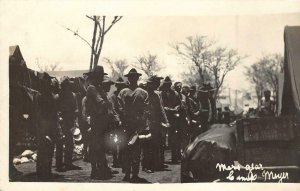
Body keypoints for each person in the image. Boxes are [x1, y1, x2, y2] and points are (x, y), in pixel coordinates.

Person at [117, 68, 149, 182]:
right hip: (135, 125)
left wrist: (125, 118)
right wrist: (141, 122)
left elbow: (119, 108)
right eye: (132, 77)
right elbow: (146, 110)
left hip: (128, 125)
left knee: (127, 150)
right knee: (134, 150)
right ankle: (132, 173)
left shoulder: (123, 92)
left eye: (133, 77)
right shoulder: (143, 93)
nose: (132, 79)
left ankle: (129, 173)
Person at [82, 66, 112, 180]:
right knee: (96, 147)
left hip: (100, 121)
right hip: (96, 121)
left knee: (99, 147)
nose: (100, 78)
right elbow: (102, 103)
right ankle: (96, 170)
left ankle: (98, 169)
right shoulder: (92, 88)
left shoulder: (98, 88)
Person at [35, 72, 62, 180]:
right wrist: (42, 131)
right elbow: (38, 114)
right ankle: (41, 173)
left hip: (52, 125)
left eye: (48, 81)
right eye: (46, 81)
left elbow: (54, 112)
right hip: (44, 125)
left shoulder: (50, 95)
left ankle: (47, 171)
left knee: (50, 149)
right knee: (42, 150)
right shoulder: (39, 95)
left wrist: (56, 126)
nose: (48, 83)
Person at [56, 77, 81, 172]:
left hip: (70, 122)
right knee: (60, 143)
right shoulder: (58, 97)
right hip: (61, 123)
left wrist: (74, 115)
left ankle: (68, 163)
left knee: (69, 143)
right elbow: (55, 110)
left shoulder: (72, 96)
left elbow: (76, 108)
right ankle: (59, 164)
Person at [160, 76, 181, 164]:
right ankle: (161, 160)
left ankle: (174, 158)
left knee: (174, 138)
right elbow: (160, 105)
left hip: (173, 118)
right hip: (163, 118)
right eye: (166, 84)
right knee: (162, 138)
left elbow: (178, 104)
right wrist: (168, 109)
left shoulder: (175, 93)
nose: (168, 86)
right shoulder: (160, 93)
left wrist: (176, 108)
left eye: (169, 84)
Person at [109, 77, 127, 168]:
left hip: (123, 121)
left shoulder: (124, 95)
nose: (120, 87)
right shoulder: (113, 96)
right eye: (119, 86)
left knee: (123, 141)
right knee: (114, 141)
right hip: (114, 122)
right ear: (116, 86)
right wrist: (118, 119)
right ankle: (115, 160)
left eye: (122, 86)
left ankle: (121, 159)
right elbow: (113, 109)